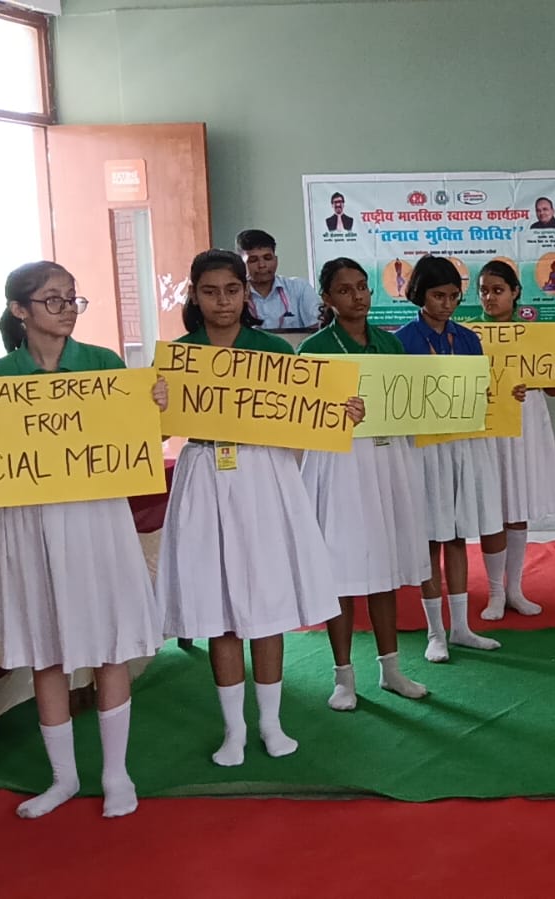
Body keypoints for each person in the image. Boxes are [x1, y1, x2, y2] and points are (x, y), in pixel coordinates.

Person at [159, 249, 347, 766]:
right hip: (203, 473)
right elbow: (156, 432)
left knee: (266, 604)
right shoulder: (178, 356)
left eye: (231, 290)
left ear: (246, 293)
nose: (222, 301)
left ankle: (270, 721)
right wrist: (152, 406)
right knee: (218, 608)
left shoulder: (274, 351)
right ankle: (234, 729)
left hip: (264, 474)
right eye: (210, 291)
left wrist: (340, 412)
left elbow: (306, 418)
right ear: (194, 295)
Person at [0, 261, 166, 818]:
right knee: (46, 649)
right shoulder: (2, 378)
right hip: (29, 522)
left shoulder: (104, 365)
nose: (67, 309)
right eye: (53, 300)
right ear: (19, 311)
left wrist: (155, 408)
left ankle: (117, 774)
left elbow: (141, 441)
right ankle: (63, 778)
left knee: (109, 643)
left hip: (97, 517)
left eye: (72, 298)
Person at [297, 258, 430, 711]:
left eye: (362, 287)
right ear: (327, 298)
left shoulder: (391, 345)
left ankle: (391, 670)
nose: (356, 296)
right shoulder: (314, 350)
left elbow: (410, 403)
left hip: (387, 458)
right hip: (338, 462)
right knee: (340, 568)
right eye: (344, 289)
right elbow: (303, 417)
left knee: (385, 565)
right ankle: (343, 676)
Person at [394, 255, 505, 661]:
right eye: (438, 296)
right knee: (429, 537)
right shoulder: (402, 340)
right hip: (422, 447)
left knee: (457, 535)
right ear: (419, 294)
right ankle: (434, 632)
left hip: (461, 444)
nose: (447, 304)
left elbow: (483, 391)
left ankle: (460, 627)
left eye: (454, 296)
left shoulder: (469, 339)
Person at [477, 260, 555, 619]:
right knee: (492, 508)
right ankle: (494, 592)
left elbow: (554, 389)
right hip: (487, 426)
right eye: (484, 291)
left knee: (517, 503)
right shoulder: (469, 336)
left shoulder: (535, 335)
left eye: (498, 290)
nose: (490, 297)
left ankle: (514, 589)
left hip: (526, 423)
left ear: (515, 292)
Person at [235, 229, 316, 330]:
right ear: (240, 263)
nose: (262, 265)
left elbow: (317, 329)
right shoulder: (234, 293)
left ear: (276, 260)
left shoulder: (299, 288)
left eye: (267, 258)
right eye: (253, 260)